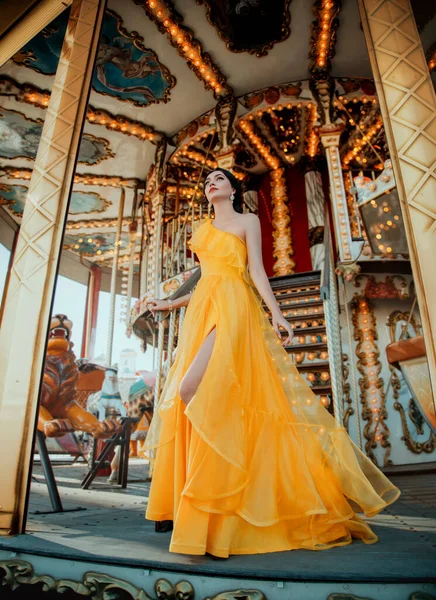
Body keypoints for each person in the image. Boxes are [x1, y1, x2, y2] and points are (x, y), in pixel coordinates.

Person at [143, 168, 400, 558]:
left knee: (189, 389)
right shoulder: (201, 228)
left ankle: (213, 496)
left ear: (233, 188)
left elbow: (256, 271)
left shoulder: (248, 220)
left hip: (234, 307)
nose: (211, 183)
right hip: (202, 308)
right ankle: (211, 506)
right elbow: (202, 275)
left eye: (218, 179)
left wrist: (277, 313)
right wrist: (169, 303)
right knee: (197, 396)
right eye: (207, 180)